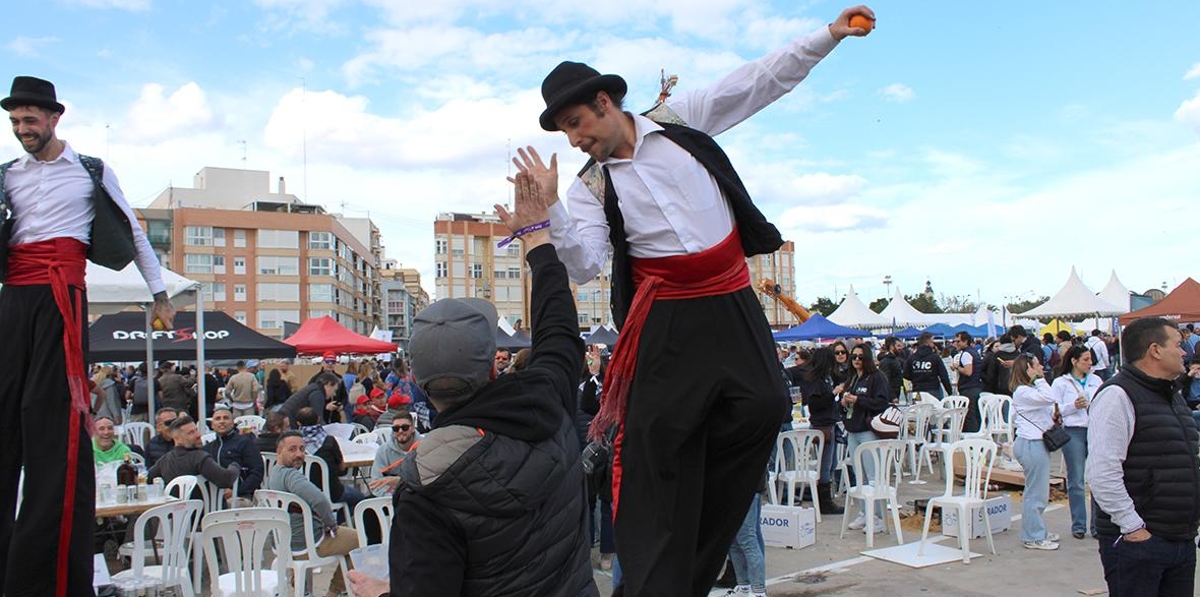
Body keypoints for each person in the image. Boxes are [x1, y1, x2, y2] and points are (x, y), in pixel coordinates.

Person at [514, 9, 873, 594]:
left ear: (606, 103)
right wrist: (550, 209)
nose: (575, 139)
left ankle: (701, 556)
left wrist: (828, 36)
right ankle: (656, 581)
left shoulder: (677, 119)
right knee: (656, 451)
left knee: (762, 407)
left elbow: (759, 82)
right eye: (565, 133)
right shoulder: (591, 186)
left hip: (730, 297)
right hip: (666, 315)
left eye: (578, 123)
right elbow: (581, 264)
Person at [0, 74, 179, 597]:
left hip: (62, 298)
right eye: (14, 122)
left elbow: (135, 233)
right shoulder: (7, 175)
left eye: (30, 120)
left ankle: (45, 572)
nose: (22, 129)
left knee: (52, 422)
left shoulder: (90, 172)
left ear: (55, 118)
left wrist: (160, 295)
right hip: (15, 296)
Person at [381, 170, 598, 597]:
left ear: (418, 386)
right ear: (493, 368)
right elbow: (558, 331)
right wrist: (537, 238)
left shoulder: (425, 488)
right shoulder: (548, 401)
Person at [1088, 317, 1199, 597]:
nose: (1185, 351)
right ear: (1155, 350)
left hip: (1180, 538)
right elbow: (1102, 472)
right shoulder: (1118, 395)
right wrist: (1133, 528)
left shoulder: (1171, 396)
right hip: (1141, 542)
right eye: (1178, 344)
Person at [269, 431, 360, 597]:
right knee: (360, 540)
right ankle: (335, 591)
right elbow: (319, 500)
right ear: (279, 452)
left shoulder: (274, 474)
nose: (299, 454)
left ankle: (301, 587)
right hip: (307, 544)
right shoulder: (291, 476)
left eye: (302, 449)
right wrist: (330, 524)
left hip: (284, 543)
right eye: (292, 449)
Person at [1050, 344, 1101, 540]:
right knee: (1076, 480)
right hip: (1073, 431)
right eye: (1086, 360)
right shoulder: (1061, 383)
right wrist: (1073, 406)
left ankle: (1098, 524)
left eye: (1090, 360)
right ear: (1074, 361)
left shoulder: (1096, 380)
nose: (1090, 363)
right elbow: (1054, 410)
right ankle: (1079, 524)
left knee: (1097, 478)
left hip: (1095, 430)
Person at [1010, 353, 1059, 550]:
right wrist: (1039, 379)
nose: (1042, 368)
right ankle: (1033, 536)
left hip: (1035, 443)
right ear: (1028, 368)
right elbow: (1050, 396)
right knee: (1035, 493)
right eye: (1037, 365)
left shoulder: (1027, 391)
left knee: (1039, 491)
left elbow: (1047, 404)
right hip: (1031, 444)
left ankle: (1038, 530)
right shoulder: (1023, 391)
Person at [787, 347, 843, 515]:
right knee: (825, 464)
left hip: (827, 423)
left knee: (830, 463)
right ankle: (824, 501)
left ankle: (825, 497)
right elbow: (816, 404)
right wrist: (834, 393)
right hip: (823, 425)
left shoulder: (824, 378)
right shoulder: (818, 381)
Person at [840, 342, 890, 531]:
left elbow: (881, 402)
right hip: (853, 428)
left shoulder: (876, 378)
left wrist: (858, 400)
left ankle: (877, 516)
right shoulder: (852, 378)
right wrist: (845, 402)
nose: (856, 360)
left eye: (860, 357)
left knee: (872, 474)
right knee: (858, 474)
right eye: (854, 357)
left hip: (868, 430)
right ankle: (864, 512)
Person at [146, 416, 240, 491]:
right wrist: (235, 465)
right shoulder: (199, 458)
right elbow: (226, 480)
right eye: (191, 433)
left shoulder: (164, 460)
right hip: (207, 512)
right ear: (177, 439)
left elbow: (148, 479)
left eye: (196, 430)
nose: (198, 435)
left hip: (177, 513)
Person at [203, 405, 264, 505]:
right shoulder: (207, 448)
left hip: (241, 495)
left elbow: (257, 472)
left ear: (233, 423)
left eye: (226, 418)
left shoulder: (245, 443)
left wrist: (236, 491)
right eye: (218, 419)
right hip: (213, 497)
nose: (222, 421)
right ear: (212, 425)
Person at [367, 412, 419, 497]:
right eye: (396, 428)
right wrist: (391, 498)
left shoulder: (424, 446)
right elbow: (375, 483)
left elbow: (427, 481)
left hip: (417, 496)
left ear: (413, 428)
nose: (400, 431)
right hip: (389, 498)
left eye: (405, 427)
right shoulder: (383, 451)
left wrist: (399, 481)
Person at [950, 331, 984, 431]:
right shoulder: (974, 352)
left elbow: (968, 372)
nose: (956, 344)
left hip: (969, 388)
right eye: (955, 341)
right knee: (975, 415)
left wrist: (957, 367)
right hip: (976, 386)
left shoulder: (966, 354)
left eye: (958, 341)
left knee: (969, 416)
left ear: (966, 342)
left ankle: (972, 438)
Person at [904, 332, 952, 399]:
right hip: (933, 389)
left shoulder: (912, 358)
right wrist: (950, 392)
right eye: (932, 342)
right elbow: (944, 376)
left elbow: (906, 374)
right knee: (936, 408)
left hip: (917, 390)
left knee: (919, 408)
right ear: (928, 342)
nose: (933, 344)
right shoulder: (935, 357)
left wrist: (916, 378)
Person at [877, 336, 905, 403]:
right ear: (892, 347)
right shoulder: (886, 362)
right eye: (898, 346)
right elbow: (884, 381)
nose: (901, 348)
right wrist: (892, 396)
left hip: (898, 395)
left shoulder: (897, 360)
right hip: (891, 398)